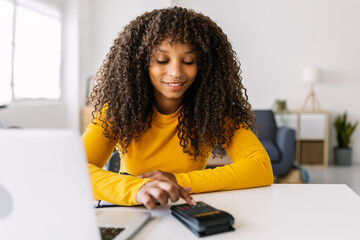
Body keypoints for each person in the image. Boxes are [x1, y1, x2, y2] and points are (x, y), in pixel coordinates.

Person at [82, 7, 273, 210]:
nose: (175, 72)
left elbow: (260, 167)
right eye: (162, 60)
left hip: (188, 205)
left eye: (188, 61)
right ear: (139, 63)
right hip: (136, 206)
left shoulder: (214, 109)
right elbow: (73, 170)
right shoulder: (118, 110)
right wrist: (138, 188)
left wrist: (177, 181)